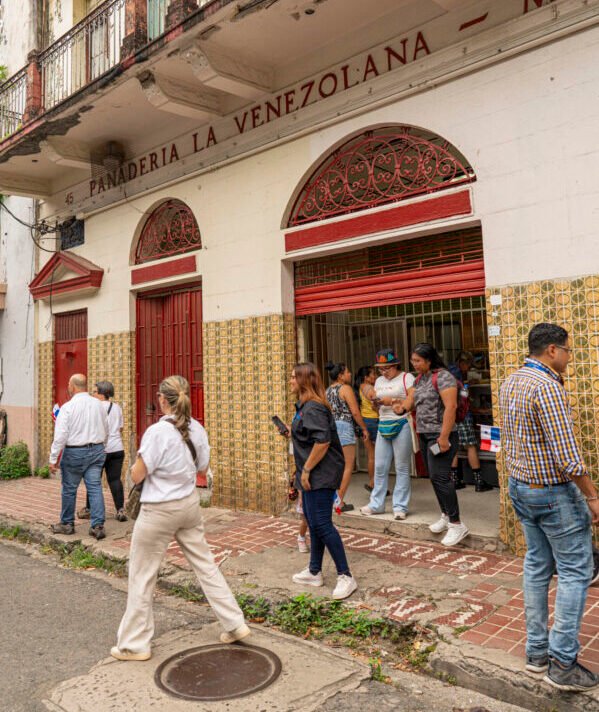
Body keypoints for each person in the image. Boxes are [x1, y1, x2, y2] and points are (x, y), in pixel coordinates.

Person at [112, 375, 248, 661]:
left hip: (158, 510)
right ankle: (234, 623)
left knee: (142, 574)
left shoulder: (156, 433)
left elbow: (138, 474)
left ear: (162, 400)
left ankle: (135, 643)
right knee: (205, 565)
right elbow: (202, 465)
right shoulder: (197, 428)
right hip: (188, 505)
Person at [499, 323, 599, 692]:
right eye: (569, 351)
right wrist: (591, 495)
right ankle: (562, 663)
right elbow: (568, 456)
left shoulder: (511, 381)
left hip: (521, 488)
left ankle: (536, 654)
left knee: (537, 566)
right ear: (553, 351)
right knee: (576, 571)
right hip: (553, 494)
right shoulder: (547, 386)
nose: (570, 358)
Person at [290, 362, 357, 600]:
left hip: (320, 474)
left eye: (293, 377)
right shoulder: (304, 407)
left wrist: (307, 470)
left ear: (304, 380)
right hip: (309, 474)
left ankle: (346, 576)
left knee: (322, 524)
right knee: (314, 521)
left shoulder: (314, 408)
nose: (290, 381)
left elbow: (323, 442)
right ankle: (314, 570)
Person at [400, 343, 469, 547]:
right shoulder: (421, 379)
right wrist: (396, 406)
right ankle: (446, 515)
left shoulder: (444, 376)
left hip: (441, 435)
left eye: (418, 361)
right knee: (434, 477)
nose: (414, 364)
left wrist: (444, 436)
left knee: (441, 477)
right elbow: (410, 402)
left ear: (429, 360)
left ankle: (457, 524)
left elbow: (451, 407)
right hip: (424, 434)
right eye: (413, 361)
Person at [49, 373, 108, 540]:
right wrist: (103, 446)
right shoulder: (99, 405)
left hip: (74, 452)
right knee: (95, 487)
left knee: (69, 489)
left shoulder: (68, 408)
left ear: (72, 386)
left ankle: (67, 524)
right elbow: (106, 428)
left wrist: (53, 459)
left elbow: (60, 436)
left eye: (68, 384)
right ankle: (97, 526)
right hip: (96, 450)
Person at [360, 349, 414, 520]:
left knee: (402, 467)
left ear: (396, 365)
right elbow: (377, 408)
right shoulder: (379, 382)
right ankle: (376, 504)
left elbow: (412, 399)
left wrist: (390, 401)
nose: (384, 372)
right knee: (380, 467)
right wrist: (376, 404)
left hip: (402, 423)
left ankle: (400, 506)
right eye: (381, 369)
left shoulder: (407, 378)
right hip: (383, 423)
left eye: (387, 368)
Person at [77, 381, 127, 522]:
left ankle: (89, 509)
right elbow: (120, 428)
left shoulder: (94, 407)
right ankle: (120, 510)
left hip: (100, 449)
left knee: (93, 480)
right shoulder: (116, 407)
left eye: (95, 391)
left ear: (101, 394)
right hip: (117, 449)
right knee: (115, 479)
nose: (93, 394)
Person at [324, 362, 369, 513]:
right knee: (348, 465)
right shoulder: (346, 389)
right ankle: (339, 501)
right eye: (348, 372)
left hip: (332, 428)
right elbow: (355, 412)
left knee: (337, 466)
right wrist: (364, 428)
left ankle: (333, 499)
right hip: (344, 426)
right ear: (340, 376)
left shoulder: (328, 390)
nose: (350, 374)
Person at [449, 351, 491, 492]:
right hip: (462, 415)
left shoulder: (449, 372)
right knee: (470, 446)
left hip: (449, 414)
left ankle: (454, 480)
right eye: (468, 365)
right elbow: (462, 397)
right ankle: (479, 482)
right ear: (463, 363)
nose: (469, 368)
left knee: (453, 446)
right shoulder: (457, 375)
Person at [353, 366, 379, 491]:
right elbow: (375, 401)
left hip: (365, 422)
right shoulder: (369, 388)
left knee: (371, 455)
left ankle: (372, 483)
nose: (375, 376)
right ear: (366, 378)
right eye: (373, 374)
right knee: (379, 455)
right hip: (374, 421)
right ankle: (376, 484)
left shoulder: (360, 388)